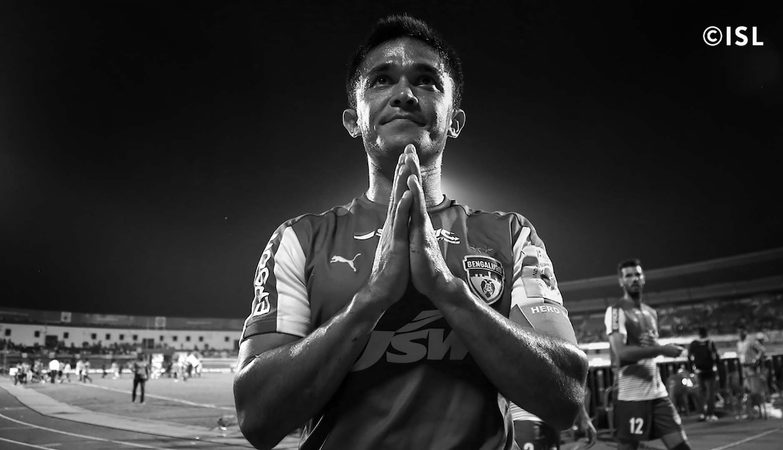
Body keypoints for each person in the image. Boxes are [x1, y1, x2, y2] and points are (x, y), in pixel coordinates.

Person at [233, 14, 588, 450]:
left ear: (455, 120)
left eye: (426, 81)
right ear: (353, 120)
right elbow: (257, 418)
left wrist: (448, 291)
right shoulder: (300, 239)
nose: (404, 94)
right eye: (381, 80)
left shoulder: (512, 235)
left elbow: (566, 397)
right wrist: (371, 299)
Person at [605, 259, 691, 450]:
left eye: (637, 274)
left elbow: (647, 350)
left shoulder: (651, 313)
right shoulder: (616, 311)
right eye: (628, 275)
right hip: (630, 396)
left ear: (643, 278)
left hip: (658, 394)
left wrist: (656, 346)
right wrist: (661, 349)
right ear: (621, 281)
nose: (634, 279)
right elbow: (621, 353)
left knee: (682, 447)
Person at [687, 327, 720, 421]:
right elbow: (715, 356)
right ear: (706, 333)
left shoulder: (694, 343)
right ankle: (710, 413)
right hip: (710, 370)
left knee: (701, 393)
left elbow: (689, 356)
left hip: (699, 371)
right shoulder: (709, 342)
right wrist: (717, 364)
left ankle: (702, 413)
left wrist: (692, 368)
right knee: (710, 393)